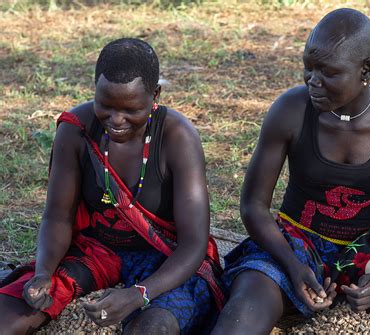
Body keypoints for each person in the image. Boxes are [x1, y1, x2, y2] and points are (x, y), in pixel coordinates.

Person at [211, 8, 370, 335]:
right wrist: (293, 268)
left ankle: (355, 301)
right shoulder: (291, 111)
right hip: (296, 244)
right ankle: (302, 290)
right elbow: (253, 206)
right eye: (308, 67)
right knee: (243, 312)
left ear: (366, 69)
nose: (313, 81)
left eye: (329, 73)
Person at [0, 38, 224, 335]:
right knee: (9, 318)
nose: (116, 120)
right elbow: (57, 216)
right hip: (96, 250)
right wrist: (44, 272)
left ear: (155, 95)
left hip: (164, 259)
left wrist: (140, 293)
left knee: (152, 328)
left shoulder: (178, 138)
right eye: (105, 106)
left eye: (131, 109)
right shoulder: (77, 130)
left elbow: (193, 244)